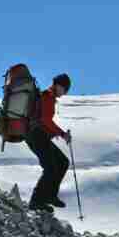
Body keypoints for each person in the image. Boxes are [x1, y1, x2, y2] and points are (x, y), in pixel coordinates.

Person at [26, 73, 72, 213]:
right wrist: (62, 134)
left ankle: (50, 196)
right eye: (65, 90)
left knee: (62, 162)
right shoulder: (47, 97)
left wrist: (56, 133)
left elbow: (44, 120)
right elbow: (45, 120)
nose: (64, 94)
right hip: (35, 135)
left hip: (40, 136)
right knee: (50, 167)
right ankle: (36, 201)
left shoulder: (48, 97)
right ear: (58, 85)